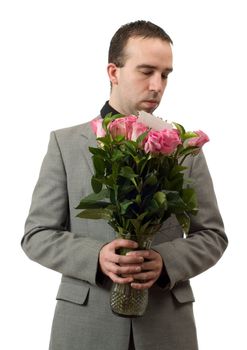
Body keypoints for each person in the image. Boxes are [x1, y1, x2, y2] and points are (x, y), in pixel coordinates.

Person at [21, 20, 228, 350]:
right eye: (146, 71)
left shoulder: (185, 150)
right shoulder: (65, 143)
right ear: (113, 72)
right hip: (84, 328)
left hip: (167, 330)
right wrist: (96, 256)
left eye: (165, 74)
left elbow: (213, 236)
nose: (157, 85)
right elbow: (37, 234)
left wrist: (166, 262)